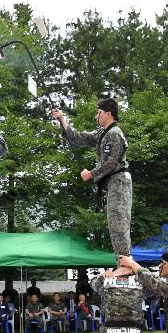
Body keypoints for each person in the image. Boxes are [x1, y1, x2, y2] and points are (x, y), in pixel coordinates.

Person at [52, 100, 133, 275]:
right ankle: (122, 263)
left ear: (108, 113)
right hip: (113, 183)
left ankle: (126, 265)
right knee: (114, 224)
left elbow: (111, 162)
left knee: (119, 223)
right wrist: (63, 120)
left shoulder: (114, 133)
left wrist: (91, 173)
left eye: (98, 113)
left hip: (119, 180)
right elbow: (79, 137)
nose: (96, 116)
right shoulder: (102, 134)